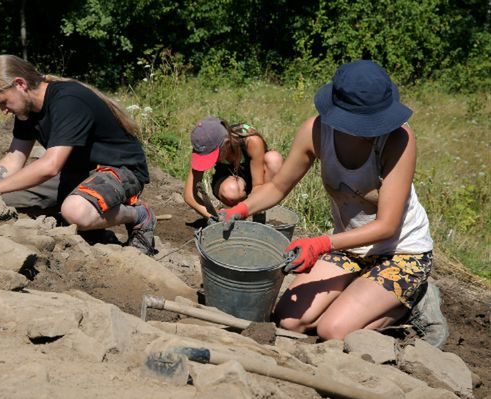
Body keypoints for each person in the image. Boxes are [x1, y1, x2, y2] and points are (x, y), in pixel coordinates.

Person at [218, 60, 448, 347]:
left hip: (401, 252)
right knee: (289, 320)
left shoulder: (398, 139)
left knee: (333, 330)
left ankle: (413, 301)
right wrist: (240, 209)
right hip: (350, 248)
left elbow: (387, 226)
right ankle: (363, 288)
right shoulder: (317, 131)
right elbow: (277, 186)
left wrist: (320, 244)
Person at [0, 54, 156, 255]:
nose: (3, 110)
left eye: (3, 102)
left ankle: (139, 215)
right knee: (1, 200)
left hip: (119, 169)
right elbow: (14, 159)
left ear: (20, 84)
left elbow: (50, 166)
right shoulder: (26, 111)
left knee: (75, 211)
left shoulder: (68, 101)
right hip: (77, 172)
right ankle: (84, 217)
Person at [183, 116, 283, 223]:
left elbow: (257, 186)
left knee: (274, 159)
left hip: (257, 180)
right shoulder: (203, 144)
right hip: (228, 179)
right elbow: (189, 195)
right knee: (231, 191)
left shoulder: (251, 141)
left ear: (226, 143)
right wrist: (213, 217)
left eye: (213, 155)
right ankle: (232, 215)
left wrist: (247, 210)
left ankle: (259, 215)